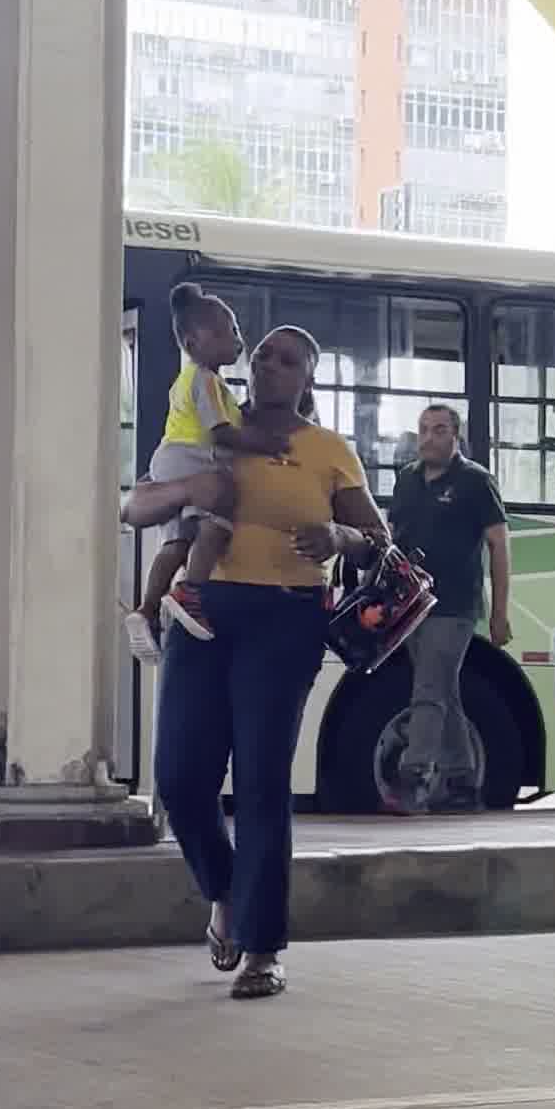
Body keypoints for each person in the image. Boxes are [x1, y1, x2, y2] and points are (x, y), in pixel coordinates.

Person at [151, 324, 388, 999]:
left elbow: (377, 540)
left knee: (260, 782)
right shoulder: (211, 421)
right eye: (262, 355)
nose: (269, 365)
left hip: (285, 619)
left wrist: (340, 535)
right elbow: (149, 492)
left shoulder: (327, 451)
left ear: (307, 377)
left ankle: (263, 947)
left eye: (288, 360)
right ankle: (225, 890)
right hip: (201, 610)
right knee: (179, 778)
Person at [387, 400, 510, 809]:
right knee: (443, 689)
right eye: (423, 429)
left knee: (427, 688)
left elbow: (499, 545)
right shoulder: (406, 480)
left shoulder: (476, 481)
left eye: (439, 430)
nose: (429, 437)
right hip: (408, 605)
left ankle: (413, 774)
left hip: (453, 606)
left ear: (457, 437)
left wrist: (499, 613)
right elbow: (392, 539)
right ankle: (462, 781)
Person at [122, 283, 247, 661]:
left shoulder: (194, 379)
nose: (238, 341)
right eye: (228, 332)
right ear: (193, 343)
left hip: (171, 459)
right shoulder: (206, 380)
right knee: (217, 523)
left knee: (177, 542)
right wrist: (259, 443)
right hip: (194, 459)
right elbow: (219, 431)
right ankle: (190, 590)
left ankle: (146, 608)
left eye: (237, 331)